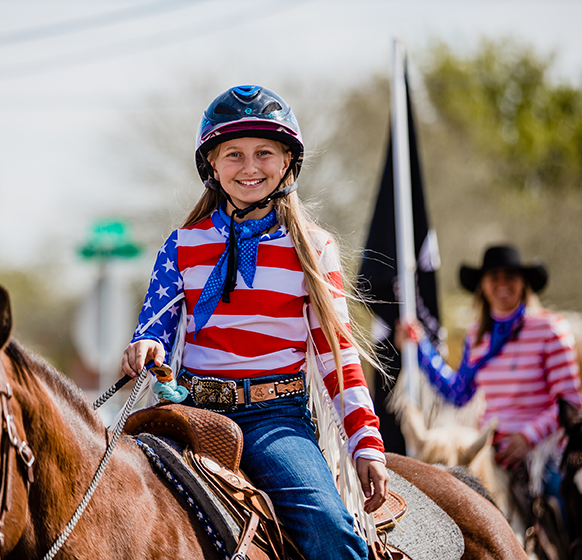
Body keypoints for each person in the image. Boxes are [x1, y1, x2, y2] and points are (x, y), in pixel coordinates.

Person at [120, 85, 388, 560]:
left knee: (329, 532)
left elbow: (338, 356)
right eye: (234, 155)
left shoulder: (313, 249)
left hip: (274, 419)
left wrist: (366, 442)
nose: (249, 168)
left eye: (264, 153)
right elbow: (156, 326)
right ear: (213, 166)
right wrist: (147, 347)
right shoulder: (180, 245)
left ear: (287, 161)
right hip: (189, 412)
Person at [397, 244, 582, 529]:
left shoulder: (550, 329)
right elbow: (458, 393)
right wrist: (419, 346)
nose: (502, 284)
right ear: (483, 285)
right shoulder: (476, 336)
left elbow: (569, 402)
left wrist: (527, 438)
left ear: (524, 283)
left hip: (540, 454)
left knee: (566, 507)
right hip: (488, 450)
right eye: (494, 277)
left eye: (511, 276)